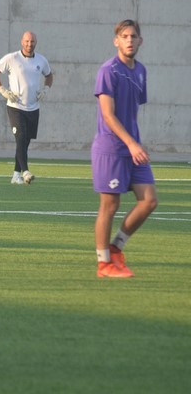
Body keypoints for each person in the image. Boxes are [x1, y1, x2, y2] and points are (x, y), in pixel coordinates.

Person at [92, 19, 158, 278]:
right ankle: (103, 264)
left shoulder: (140, 71)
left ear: (140, 41)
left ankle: (116, 247)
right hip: (111, 148)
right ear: (116, 41)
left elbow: (132, 111)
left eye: (133, 36)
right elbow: (108, 115)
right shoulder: (108, 70)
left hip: (133, 149)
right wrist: (130, 143)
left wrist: (135, 142)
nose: (129, 40)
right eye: (124, 36)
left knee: (149, 200)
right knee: (110, 205)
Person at [0, 31, 53, 185]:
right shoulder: (12, 58)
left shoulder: (41, 60)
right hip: (15, 106)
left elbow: (49, 75)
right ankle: (26, 172)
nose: (29, 44)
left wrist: (46, 89)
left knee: (24, 142)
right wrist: (3, 90)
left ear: (36, 43)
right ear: (21, 42)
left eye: (32, 42)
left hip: (33, 108)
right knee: (20, 138)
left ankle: (16, 175)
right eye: (27, 41)